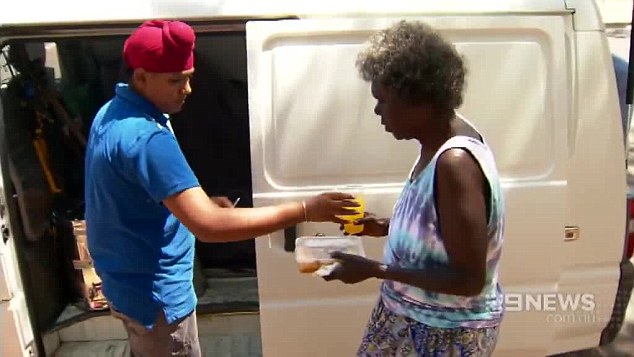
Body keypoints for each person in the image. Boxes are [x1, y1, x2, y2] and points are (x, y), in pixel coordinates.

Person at [84, 20, 358, 357]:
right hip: (157, 299)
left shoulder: (113, 112)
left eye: (189, 77)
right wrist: (304, 210)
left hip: (130, 285)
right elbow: (209, 227)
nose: (187, 90)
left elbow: (132, 194)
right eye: (175, 80)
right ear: (141, 77)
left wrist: (200, 203)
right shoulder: (147, 138)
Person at [323, 20, 505, 356]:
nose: (378, 112)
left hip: (443, 332)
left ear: (419, 99)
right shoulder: (433, 143)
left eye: (383, 101)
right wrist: (382, 227)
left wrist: (375, 270)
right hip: (408, 316)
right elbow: (443, 232)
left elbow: (469, 279)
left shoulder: (455, 164)